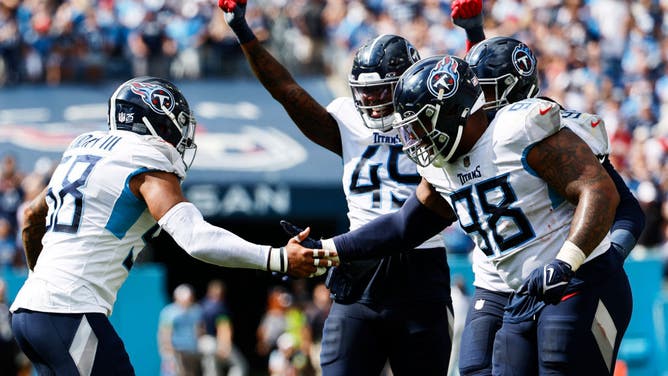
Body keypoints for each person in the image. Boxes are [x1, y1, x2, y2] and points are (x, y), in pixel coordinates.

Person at [308, 55, 635, 375]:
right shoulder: (441, 170)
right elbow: (403, 226)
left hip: (582, 278)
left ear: (452, 112)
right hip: (523, 293)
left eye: (420, 125)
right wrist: (327, 250)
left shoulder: (517, 131)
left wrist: (565, 261)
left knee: (558, 363)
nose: (414, 140)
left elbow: (599, 191)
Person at [9, 76, 338, 375]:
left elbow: (30, 219)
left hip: (28, 311)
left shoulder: (83, 147)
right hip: (68, 312)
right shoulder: (144, 161)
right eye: (175, 125)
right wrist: (277, 258)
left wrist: (43, 286)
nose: (179, 136)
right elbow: (195, 237)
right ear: (154, 120)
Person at [218, 2, 455, 375]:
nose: (371, 102)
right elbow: (287, 91)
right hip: (358, 262)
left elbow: (479, 106)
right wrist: (243, 31)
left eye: (380, 91)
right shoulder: (348, 118)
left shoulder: (436, 118)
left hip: (419, 264)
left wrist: (473, 33)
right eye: (366, 92)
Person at [447, 2, 645, 374]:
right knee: (474, 367)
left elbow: (625, 208)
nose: (473, 104)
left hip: (557, 280)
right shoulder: (476, 135)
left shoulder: (545, 133)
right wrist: (474, 32)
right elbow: (483, 88)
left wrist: (601, 259)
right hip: (496, 280)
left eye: (484, 95)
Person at [158, 283, 204, 376]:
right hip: (174, 351)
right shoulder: (168, 312)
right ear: (176, 297)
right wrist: (168, 350)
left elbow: (200, 329)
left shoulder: (196, 310)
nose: (186, 301)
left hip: (191, 351)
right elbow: (165, 332)